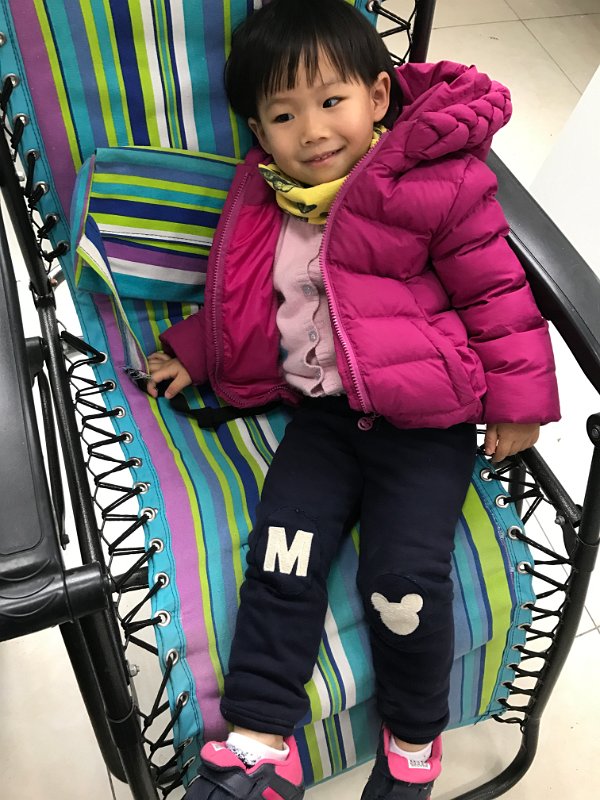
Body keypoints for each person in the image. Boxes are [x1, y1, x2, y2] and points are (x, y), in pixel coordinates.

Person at [146, 1, 560, 797]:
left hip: (425, 424)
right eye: (283, 116)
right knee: (282, 555)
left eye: (331, 100)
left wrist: (519, 400)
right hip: (325, 421)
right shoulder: (265, 198)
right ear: (259, 133)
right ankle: (260, 739)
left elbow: (497, 293)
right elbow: (248, 296)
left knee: (402, 582)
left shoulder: (433, 183)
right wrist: (195, 351)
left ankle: (414, 741)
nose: (312, 131)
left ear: (377, 96)